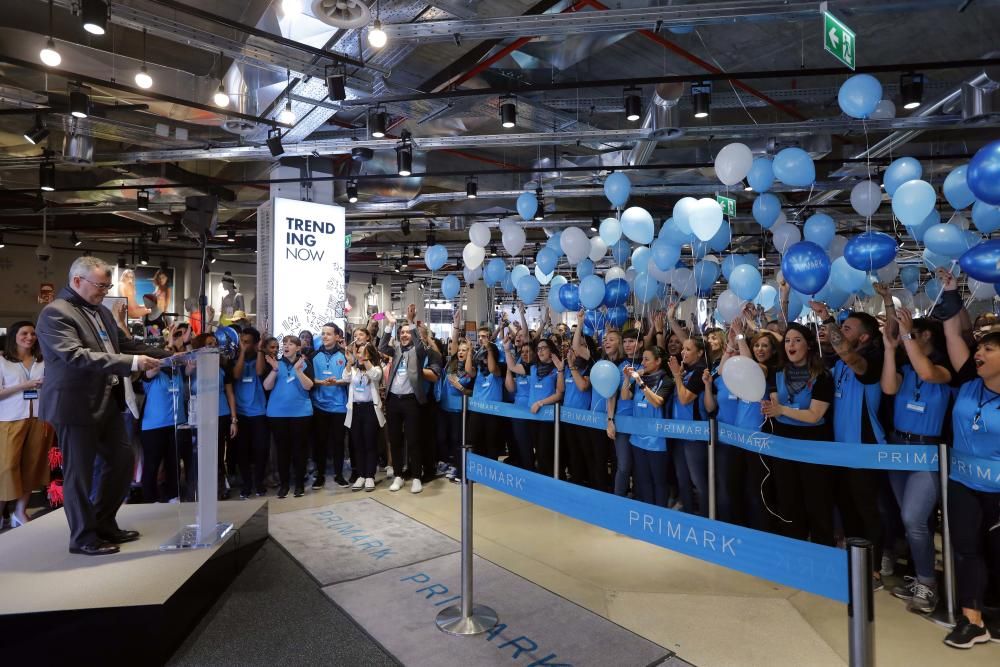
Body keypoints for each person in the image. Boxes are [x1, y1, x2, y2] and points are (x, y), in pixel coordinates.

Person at [36, 256, 165, 556]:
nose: (106, 291)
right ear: (77, 280)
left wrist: (169, 354)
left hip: (107, 402)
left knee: (121, 465)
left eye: (108, 285)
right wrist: (133, 363)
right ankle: (82, 537)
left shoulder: (102, 313)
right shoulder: (55, 313)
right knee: (79, 475)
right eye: (101, 285)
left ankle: (104, 523)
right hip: (75, 405)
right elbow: (76, 356)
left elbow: (126, 345)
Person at [939, 273, 1000, 648]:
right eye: (979, 348)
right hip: (962, 482)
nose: (978, 353)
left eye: (989, 349)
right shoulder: (968, 382)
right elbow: (951, 335)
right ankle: (971, 619)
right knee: (966, 549)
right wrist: (949, 291)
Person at [881, 307, 952, 614]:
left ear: (926, 335)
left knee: (914, 518)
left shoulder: (945, 370)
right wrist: (889, 349)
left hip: (927, 452)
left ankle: (928, 583)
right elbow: (888, 387)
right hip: (899, 447)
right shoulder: (905, 368)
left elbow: (927, 373)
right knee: (910, 521)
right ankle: (921, 576)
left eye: (914, 333)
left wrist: (905, 334)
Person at [811, 301, 886, 589]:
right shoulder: (839, 365)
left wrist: (827, 319)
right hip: (839, 449)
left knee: (867, 509)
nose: (839, 333)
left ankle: (875, 567)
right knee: (847, 507)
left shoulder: (871, 362)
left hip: (863, 448)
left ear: (864, 337)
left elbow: (846, 352)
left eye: (847, 328)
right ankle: (854, 560)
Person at [760, 323, 835, 545]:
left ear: (809, 345)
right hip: (783, 443)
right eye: (787, 341)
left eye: (797, 340)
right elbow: (774, 406)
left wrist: (782, 410)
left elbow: (815, 415)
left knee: (817, 501)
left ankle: (822, 549)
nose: (791, 345)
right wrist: (770, 408)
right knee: (788, 499)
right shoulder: (777, 372)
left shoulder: (822, 375)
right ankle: (794, 546)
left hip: (813, 445)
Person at [0, 321, 54, 527]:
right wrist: (25, 385)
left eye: (33, 333)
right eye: (24, 333)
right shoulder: (3, 361)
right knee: (6, 467)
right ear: (14, 335)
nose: (30, 337)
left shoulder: (43, 361)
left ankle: (20, 512)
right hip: (9, 419)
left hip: (40, 418)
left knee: (32, 465)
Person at [380, 311, 430, 493]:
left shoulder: (418, 351)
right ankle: (398, 476)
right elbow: (382, 346)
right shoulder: (396, 350)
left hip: (411, 401)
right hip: (393, 400)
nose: (404, 334)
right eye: (402, 332)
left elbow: (419, 343)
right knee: (394, 439)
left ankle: (417, 476)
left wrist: (411, 321)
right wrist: (390, 325)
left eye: (407, 332)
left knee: (414, 439)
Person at [188, 333, 238, 501]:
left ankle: (219, 488)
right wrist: (190, 369)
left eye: (214, 344)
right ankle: (199, 489)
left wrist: (233, 419)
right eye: (209, 344)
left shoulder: (223, 366)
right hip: (199, 416)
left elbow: (230, 393)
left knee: (217, 454)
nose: (212, 347)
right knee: (200, 455)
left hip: (221, 414)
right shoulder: (192, 366)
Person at [263, 335, 314, 498]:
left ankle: (299, 484)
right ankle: (284, 484)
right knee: (282, 450)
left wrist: (298, 370)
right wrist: (274, 370)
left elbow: (309, 386)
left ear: (298, 348)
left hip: (301, 413)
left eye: (291, 344)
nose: (286, 346)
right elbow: (267, 386)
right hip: (278, 414)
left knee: (300, 450)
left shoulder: (305, 363)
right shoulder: (275, 363)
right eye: (284, 343)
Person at [621, 347, 673, 506]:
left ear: (658, 361)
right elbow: (625, 397)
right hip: (637, 438)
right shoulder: (640, 378)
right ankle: (648, 513)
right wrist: (626, 379)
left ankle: (660, 514)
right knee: (643, 479)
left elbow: (657, 402)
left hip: (657, 441)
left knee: (659, 481)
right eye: (642, 359)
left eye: (647, 359)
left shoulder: (666, 380)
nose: (642, 363)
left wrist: (640, 382)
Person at [507, 338, 565, 474]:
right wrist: (506, 348)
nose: (540, 351)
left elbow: (560, 393)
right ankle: (541, 481)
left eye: (543, 348)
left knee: (546, 452)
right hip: (534, 417)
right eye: (538, 349)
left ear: (551, 350)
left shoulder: (558, 368)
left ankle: (551, 481)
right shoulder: (532, 368)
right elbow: (512, 367)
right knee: (538, 451)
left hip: (549, 417)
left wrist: (541, 403)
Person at [668, 337, 708, 515]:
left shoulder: (700, 371)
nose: (683, 352)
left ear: (699, 353)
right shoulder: (686, 371)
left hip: (695, 433)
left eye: (688, 349)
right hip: (678, 431)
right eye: (683, 349)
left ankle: (707, 516)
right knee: (682, 477)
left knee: (698, 480)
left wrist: (677, 376)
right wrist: (679, 375)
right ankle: (688, 511)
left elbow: (685, 399)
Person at [311, 323, 350, 490]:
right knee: (319, 442)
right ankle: (319, 476)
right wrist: (320, 382)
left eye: (328, 334)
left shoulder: (344, 355)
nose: (325, 336)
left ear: (337, 337)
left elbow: (349, 379)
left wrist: (337, 382)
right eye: (323, 334)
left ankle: (339, 474)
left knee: (338, 442)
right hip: (319, 406)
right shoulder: (313, 355)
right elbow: (308, 380)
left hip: (339, 406)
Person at [232, 328, 269, 498]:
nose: (243, 345)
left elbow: (260, 372)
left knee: (261, 450)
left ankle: (259, 483)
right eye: (242, 341)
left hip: (259, 413)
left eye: (247, 342)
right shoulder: (234, 359)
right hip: (241, 413)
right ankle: (246, 484)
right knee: (242, 451)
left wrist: (260, 349)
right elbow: (237, 375)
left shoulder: (261, 357)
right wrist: (241, 352)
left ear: (255, 343)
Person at [345, 342, 384, 492]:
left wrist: (365, 360)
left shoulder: (375, 368)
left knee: (370, 443)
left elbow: (375, 375)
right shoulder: (354, 370)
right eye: (359, 352)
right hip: (355, 409)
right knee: (358, 444)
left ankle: (370, 476)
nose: (360, 355)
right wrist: (350, 362)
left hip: (370, 409)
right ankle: (361, 475)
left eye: (364, 353)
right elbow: (345, 377)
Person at [436, 338, 473, 483]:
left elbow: (472, 392)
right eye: (460, 350)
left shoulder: (470, 371)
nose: (461, 352)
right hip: (443, 407)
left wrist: (460, 387)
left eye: (465, 350)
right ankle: (448, 463)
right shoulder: (451, 364)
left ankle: (458, 466)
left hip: (458, 410)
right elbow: (453, 343)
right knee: (442, 437)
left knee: (456, 439)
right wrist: (456, 324)